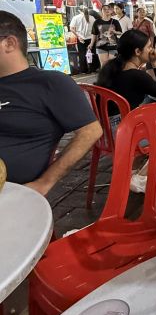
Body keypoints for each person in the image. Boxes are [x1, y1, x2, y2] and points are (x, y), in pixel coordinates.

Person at [0, 11, 102, 193]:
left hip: (12, 192)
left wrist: (45, 182)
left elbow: (90, 131)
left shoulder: (50, 83)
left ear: (9, 43)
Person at [96, 29, 156, 110]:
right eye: (149, 47)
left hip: (104, 117)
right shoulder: (138, 76)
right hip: (125, 117)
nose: (152, 50)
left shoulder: (110, 66)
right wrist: (155, 62)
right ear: (137, 51)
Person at [89, 3, 122, 67]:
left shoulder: (115, 21)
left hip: (113, 45)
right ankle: (104, 74)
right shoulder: (97, 22)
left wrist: (115, 32)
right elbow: (94, 34)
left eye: (108, 9)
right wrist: (91, 44)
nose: (107, 10)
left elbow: (120, 32)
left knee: (112, 64)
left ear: (111, 11)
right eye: (104, 9)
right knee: (104, 64)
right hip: (101, 46)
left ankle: (112, 74)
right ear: (101, 11)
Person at [69, 6, 95, 73]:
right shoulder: (92, 18)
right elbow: (95, 29)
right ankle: (92, 69)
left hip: (81, 39)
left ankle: (84, 70)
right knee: (91, 54)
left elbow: (71, 28)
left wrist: (78, 36)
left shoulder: (76, 18)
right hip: (91, 39)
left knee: (82, 54)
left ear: (79, 10)